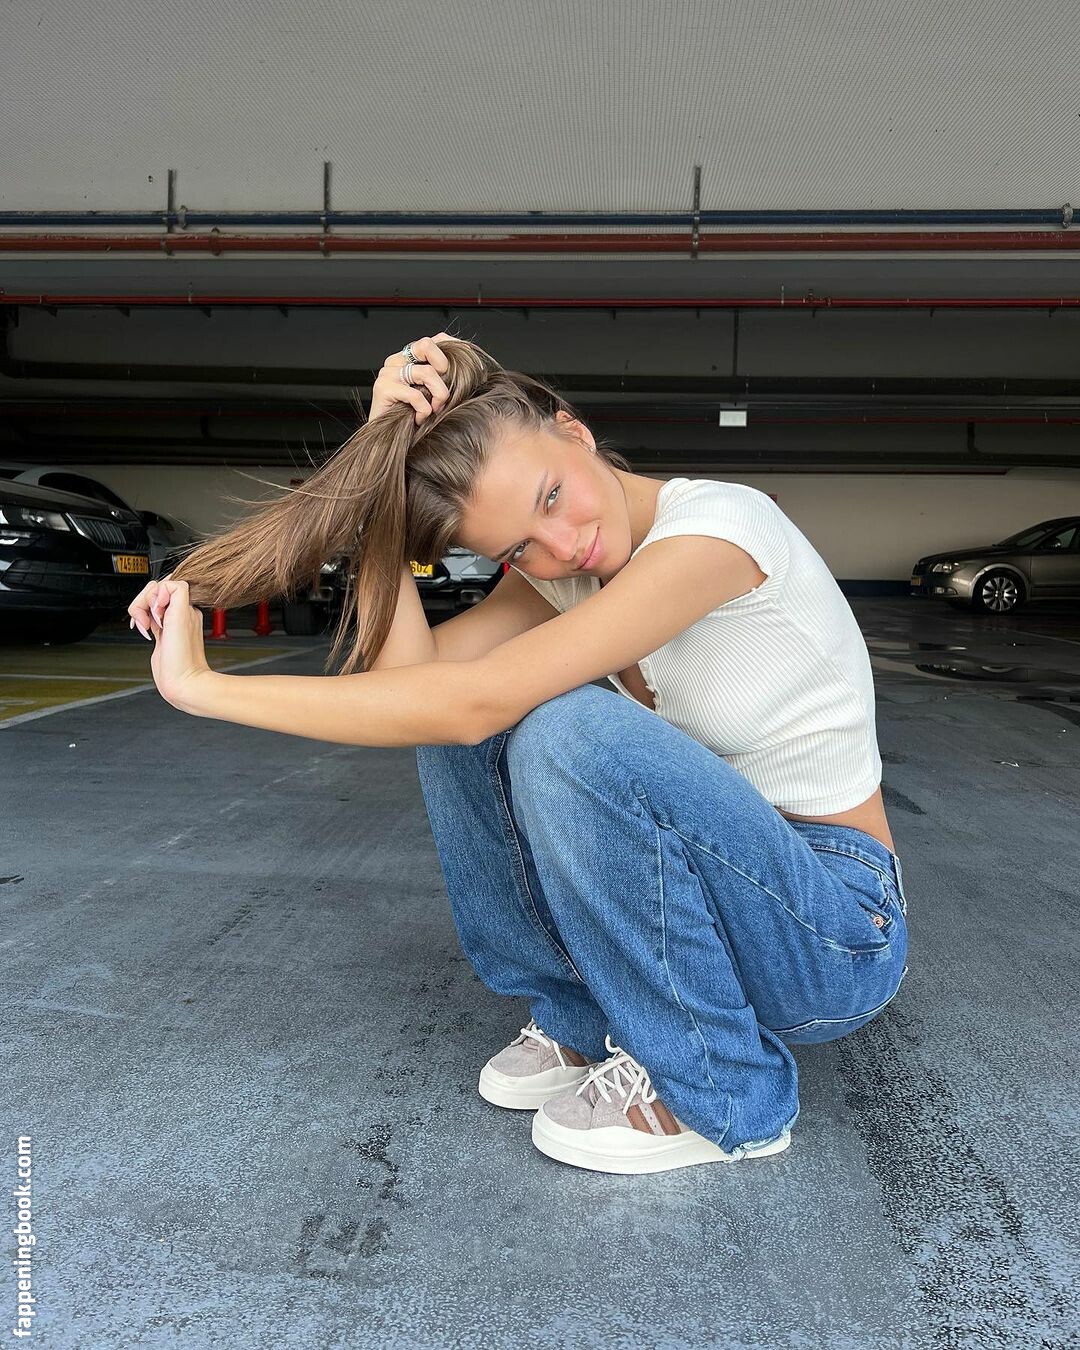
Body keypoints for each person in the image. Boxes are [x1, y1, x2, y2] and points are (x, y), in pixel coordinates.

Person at [128, 332, 909, 1177]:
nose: (560, 545)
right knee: (470, 725)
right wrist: (380, 495)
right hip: (721, 908)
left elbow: (472, 700)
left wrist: (206, 690)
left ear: (574, 430)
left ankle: (724, 1093)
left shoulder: (720, 529)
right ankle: (581, 1020)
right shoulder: (566, 572)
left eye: (552, 496)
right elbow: (416, 689)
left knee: (567, 727)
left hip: (834, 935)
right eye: (517, 548)